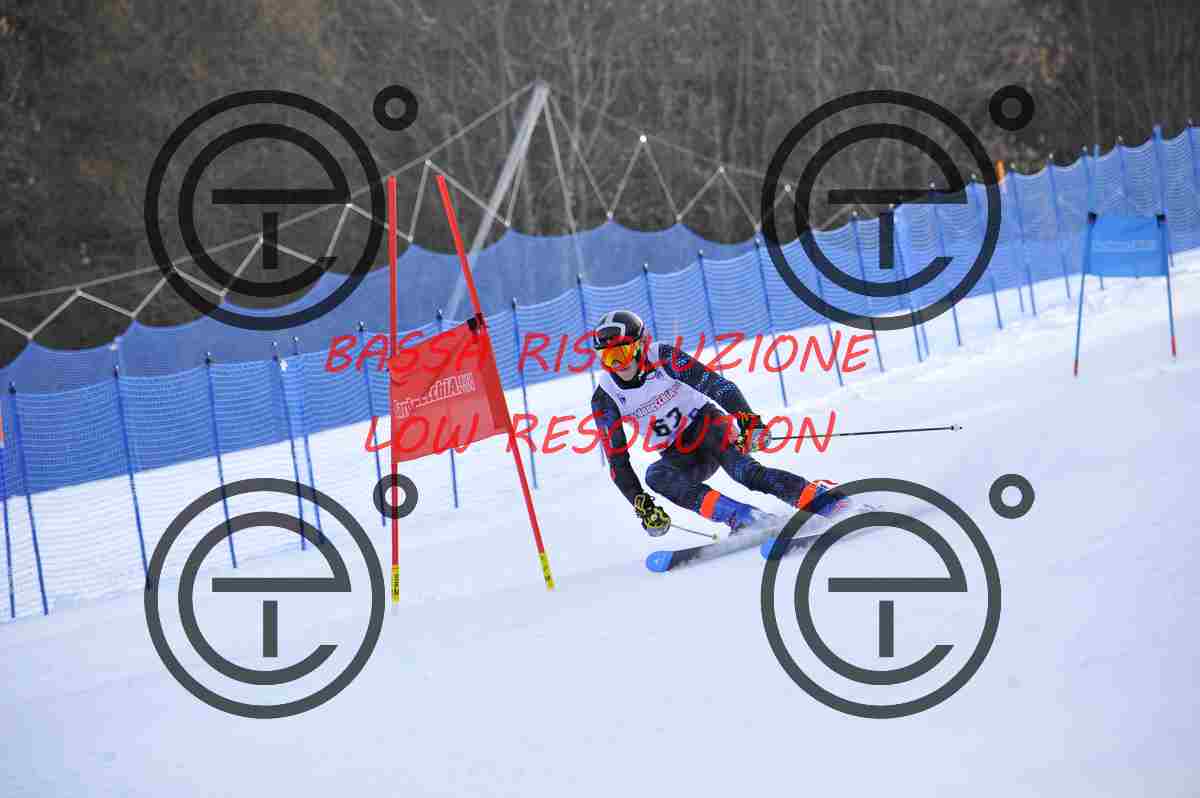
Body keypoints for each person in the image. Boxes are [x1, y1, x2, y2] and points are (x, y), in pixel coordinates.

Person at [589, 309, 848, 537]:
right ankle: (745, 518)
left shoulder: (663, 357)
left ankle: (825, 501)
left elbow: (718, 386)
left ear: (641, 345)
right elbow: (617, 461)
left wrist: (749, 421)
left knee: (746, 473)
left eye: (621, 353)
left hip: (709, 427)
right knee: (657, 476)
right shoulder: (605, 397)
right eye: (608, 357)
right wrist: (641, 504)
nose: (617, 365)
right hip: (680, 454)